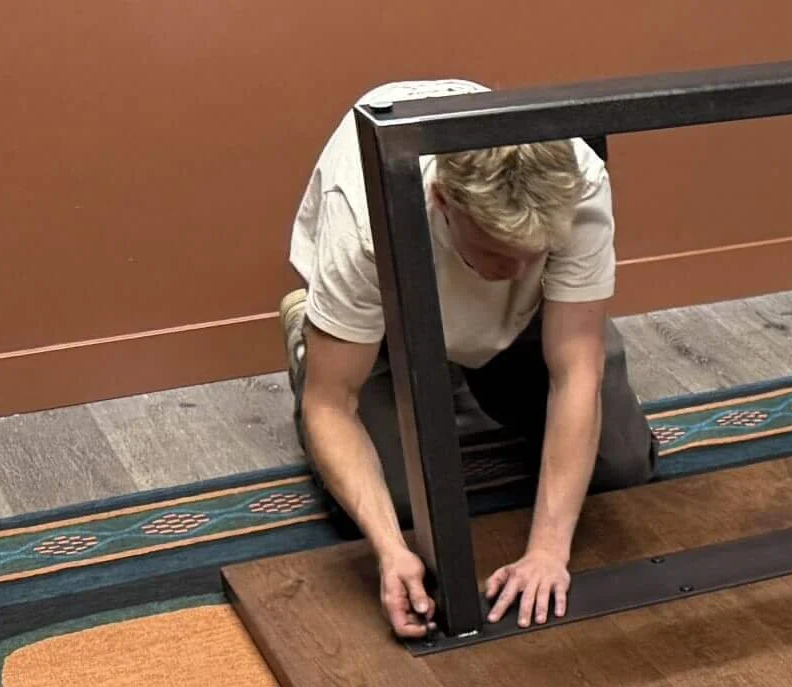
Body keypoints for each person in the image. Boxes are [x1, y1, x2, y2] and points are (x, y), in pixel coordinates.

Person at [281, 79, 659, 638]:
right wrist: (390, 552)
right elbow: (333, 405)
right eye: (495, 254)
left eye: (530, 256)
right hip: (395, 320)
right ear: (442, 202)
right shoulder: (366, 213)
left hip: (527, 317)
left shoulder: (578, 181)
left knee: (622, 465)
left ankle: (485, 357)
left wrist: (548, 553)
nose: (512, 268)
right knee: (406, 509)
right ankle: (307, 330)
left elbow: (577, 366)